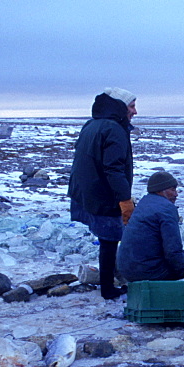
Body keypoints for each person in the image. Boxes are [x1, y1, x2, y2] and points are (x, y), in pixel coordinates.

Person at [68, 87, 137, 300]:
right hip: (103, 193)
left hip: (87, 192)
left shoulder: (92, 124)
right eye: (132, 106)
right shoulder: (114, 129)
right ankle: (108, 289)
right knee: (109, 240)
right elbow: (114, 168)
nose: (135, 111)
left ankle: (109, 282)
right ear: (119, 107)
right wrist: (125, 199)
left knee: (107, 240)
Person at [116, 171, 184, 309]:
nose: (176, 194)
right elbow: (172, 251)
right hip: (145, 270)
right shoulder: (166, 209)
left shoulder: (144, 203)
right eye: (172, 190)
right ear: (161, 191)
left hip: (126, 268)